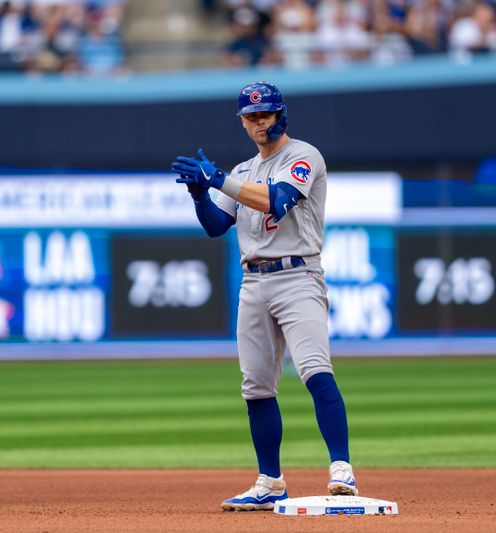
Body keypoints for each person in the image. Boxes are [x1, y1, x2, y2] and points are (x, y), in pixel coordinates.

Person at [170, 81, 357, 511]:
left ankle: (342, 469)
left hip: (298, 274)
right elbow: (218, 226)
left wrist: (216, 179)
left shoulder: (304, 156)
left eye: (265, 114)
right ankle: (270, 483)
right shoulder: (244, 169)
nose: (259, 122)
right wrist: (201, 196)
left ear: (281, 114)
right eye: (251, 117)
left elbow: (278, 201)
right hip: (253, 281)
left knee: (314, 369)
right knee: (255, 386)